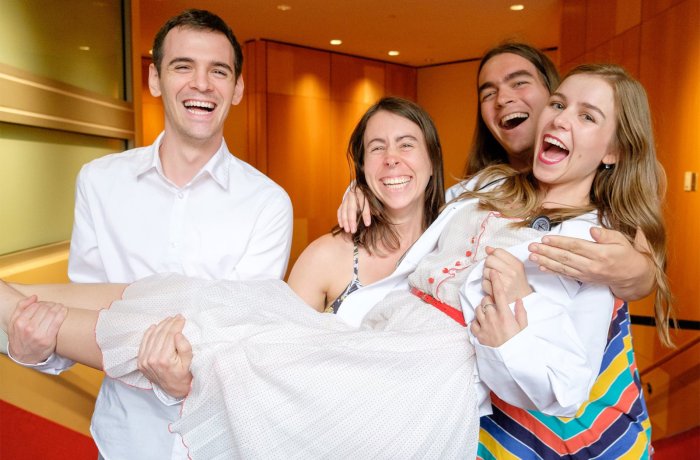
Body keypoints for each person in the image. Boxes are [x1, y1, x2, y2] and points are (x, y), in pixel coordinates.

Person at [1, 64, 673, 458]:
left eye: (589, 117)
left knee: (233, 354)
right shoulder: (491, 189)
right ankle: (16, 303)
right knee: (204, 299)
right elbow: (430, 209)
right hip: (394, 332)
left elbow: (563, 382)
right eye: (561, 104)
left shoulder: (595, 246)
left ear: (615, 149)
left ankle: (26, 318)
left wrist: (511, 339)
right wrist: (371, 190)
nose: (560, 119)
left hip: (436, 371)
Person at [5, 9, 293, 460]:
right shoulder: (99, 182)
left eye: (218, 71)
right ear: (155, 79)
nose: (202, 84)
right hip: (123, 442)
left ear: (236, 89)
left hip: (219, 446)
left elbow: (232, 346)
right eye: (183, 66)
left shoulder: (268, 203)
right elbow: (86, 307)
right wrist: (37, 349)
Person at [337, 43, 655, 303]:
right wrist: (367, 189)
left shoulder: (602, 213)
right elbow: (418, 226)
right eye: (488, 93)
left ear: (550, 91)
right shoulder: (475, 191)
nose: (503, 99)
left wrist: (636, 270)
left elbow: (641, 273)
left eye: (519, 82)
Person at [287, 97, 444, 312]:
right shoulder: (324, 257)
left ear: (433, 160)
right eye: (377, 148)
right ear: (362, 166)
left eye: (406, 145)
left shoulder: (454, 251)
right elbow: (284, 342)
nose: (391, 158)